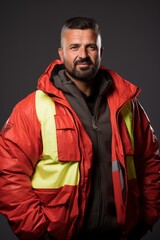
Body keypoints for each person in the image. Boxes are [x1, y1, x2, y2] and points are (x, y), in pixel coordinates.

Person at [0, 16, 160, 240]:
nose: (83, 55)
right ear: (61, 53)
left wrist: (146, 218)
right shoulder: (32, 108)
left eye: (91, 47)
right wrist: (39, 234)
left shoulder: (127, 106)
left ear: (101, 52)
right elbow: (8, 176)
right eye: (74, 47)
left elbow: (150, 161)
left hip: (120, 234)